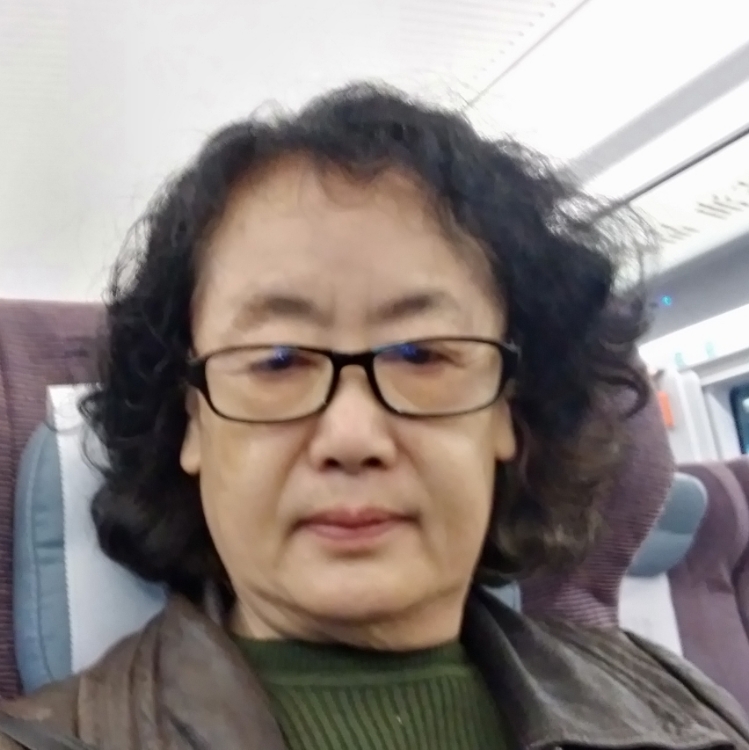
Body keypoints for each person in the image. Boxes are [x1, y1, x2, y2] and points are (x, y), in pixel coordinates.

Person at [2, 83, 748, 750]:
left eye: (422, 354)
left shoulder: (682, 707)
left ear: (507, 415)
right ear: (190, 421)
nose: (352, 438)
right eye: (276, 360)